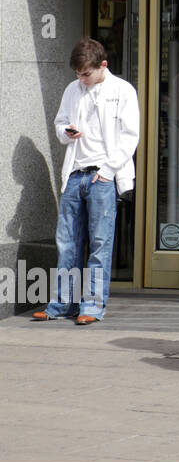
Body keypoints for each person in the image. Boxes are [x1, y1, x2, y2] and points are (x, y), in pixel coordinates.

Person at [33, 38, 140, 324]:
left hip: (101, 175)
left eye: (86, 74)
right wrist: (66, 132)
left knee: (99, 244)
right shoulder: (72, 89)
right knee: (67, 243)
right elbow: (59, 124)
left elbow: (131, 136)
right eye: (78, 74)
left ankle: (91, 307)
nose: (81, 79)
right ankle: (61, 305)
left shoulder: (123, 90)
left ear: (102, 65)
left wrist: (107, 171)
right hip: (75, 173)